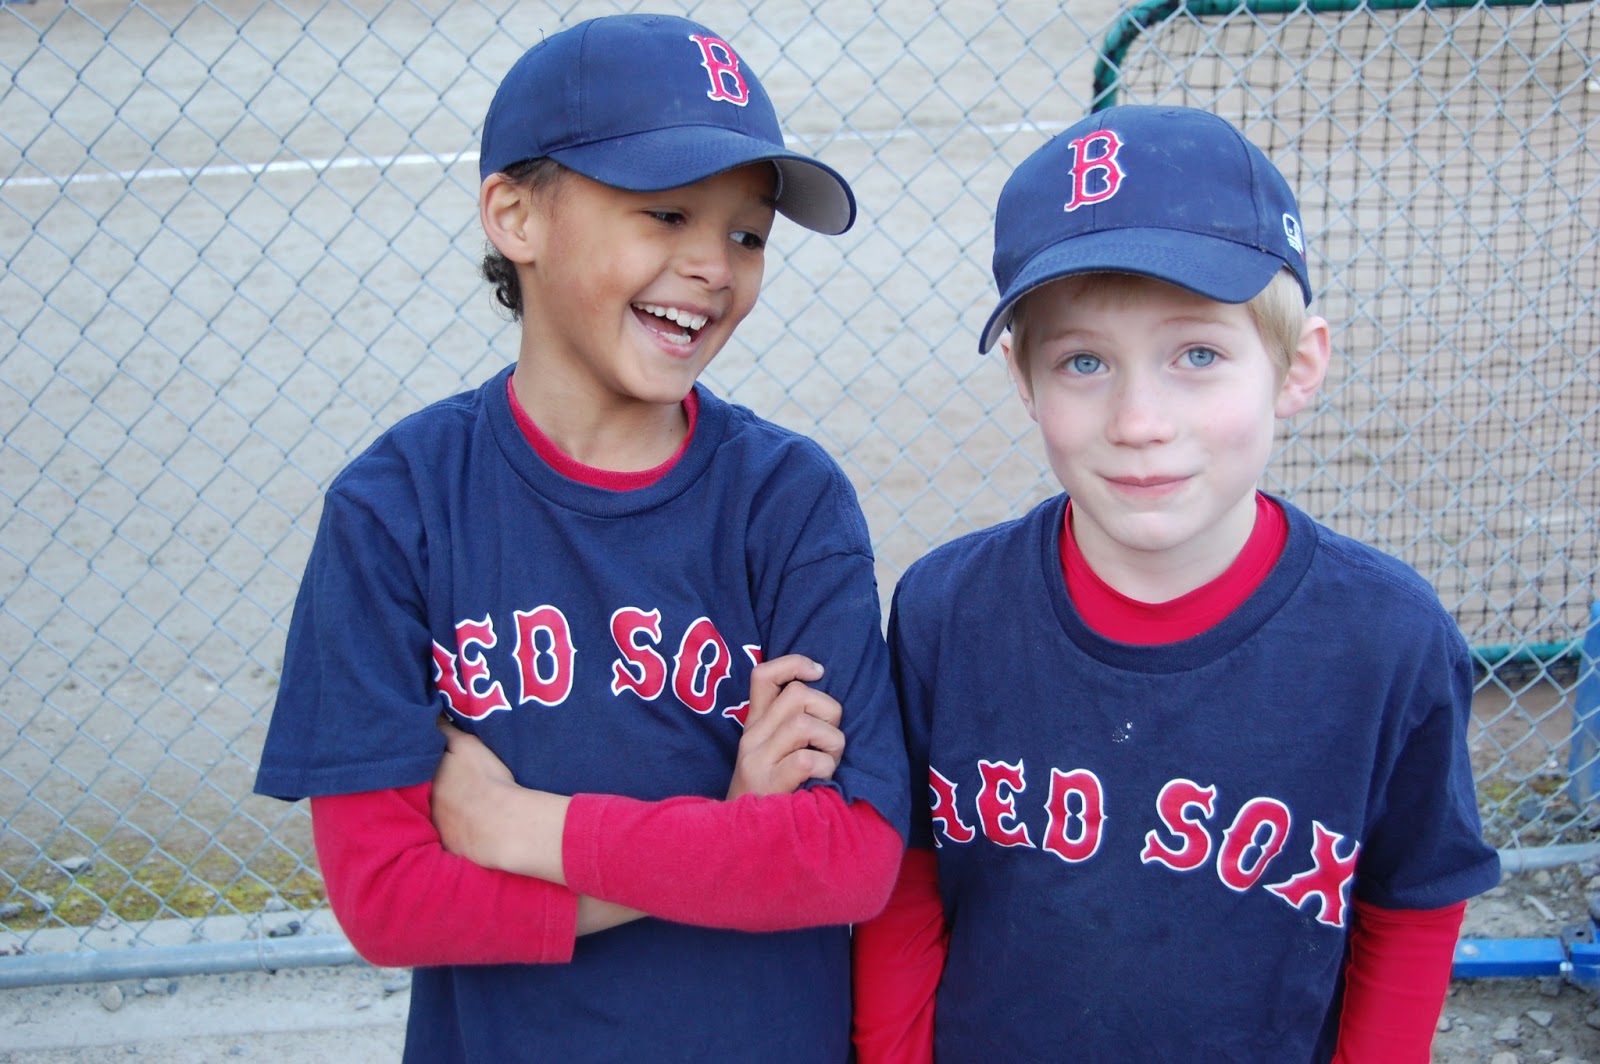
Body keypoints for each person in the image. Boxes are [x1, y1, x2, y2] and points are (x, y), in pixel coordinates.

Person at [252, 14, 909, 1063]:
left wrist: (528, 830)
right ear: (516, 215)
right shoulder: (398, 507)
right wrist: (725, 834)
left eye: (748, 234)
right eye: (666, 212)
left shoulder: (786, 499)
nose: (714, 265)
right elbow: (388, 899)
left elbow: (846, 859)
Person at [850, 104, 1501, 1063]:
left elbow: (1412, 904)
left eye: (1198, 355)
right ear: (1024, 380)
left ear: (1296, 365)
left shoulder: (1384, 639)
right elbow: (905, 879)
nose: (1139, 420)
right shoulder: (949, 610)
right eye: (1083, 361)